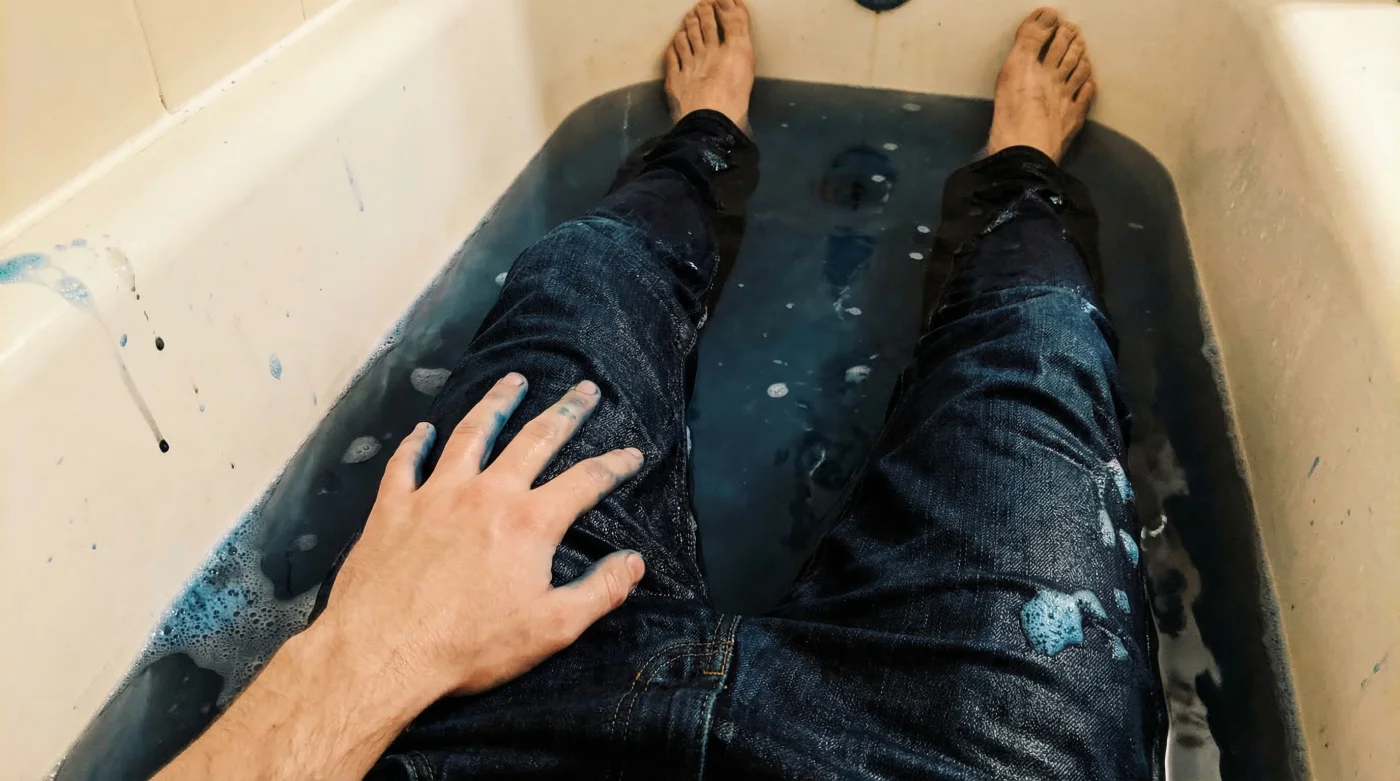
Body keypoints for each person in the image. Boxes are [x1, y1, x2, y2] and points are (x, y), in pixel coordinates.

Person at [155, 3, 1164, 778]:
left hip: (486, 731)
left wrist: (367, 656)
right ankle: (1019, 172)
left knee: (580, 280)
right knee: (1038, 352)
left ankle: (704, 142)